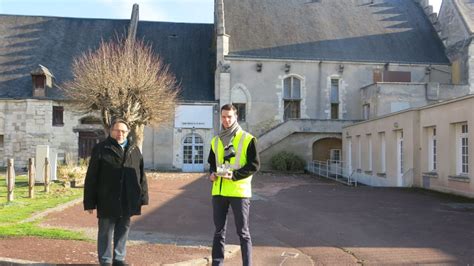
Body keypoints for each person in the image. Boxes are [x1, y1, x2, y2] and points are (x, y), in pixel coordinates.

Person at [83, 118, 148, 266]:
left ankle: (119, 258)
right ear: (111, 131)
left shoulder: (134, 149)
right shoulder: (101, 149)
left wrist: (143, 197)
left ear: (128, 132)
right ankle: (105, 260)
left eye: (123, 131)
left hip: (127, 198)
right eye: (117, 130)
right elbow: (92, 176)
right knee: (105, 231)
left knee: (123, 230)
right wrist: (89, 202)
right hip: (106, 198)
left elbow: (141, 175)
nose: (120, 134)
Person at [208, 104, 260, 266]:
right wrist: (211, 173)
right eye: (223, 116)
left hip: (239, 192)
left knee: (243, 233)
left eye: (229, 116)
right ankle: (217, 263)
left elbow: (254, 165)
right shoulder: (215, 141)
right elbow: (212, 163)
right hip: (219, 191)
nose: (226, 120)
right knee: (218, 232)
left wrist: (235, 175)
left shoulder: (248, 139)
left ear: (235, 117)